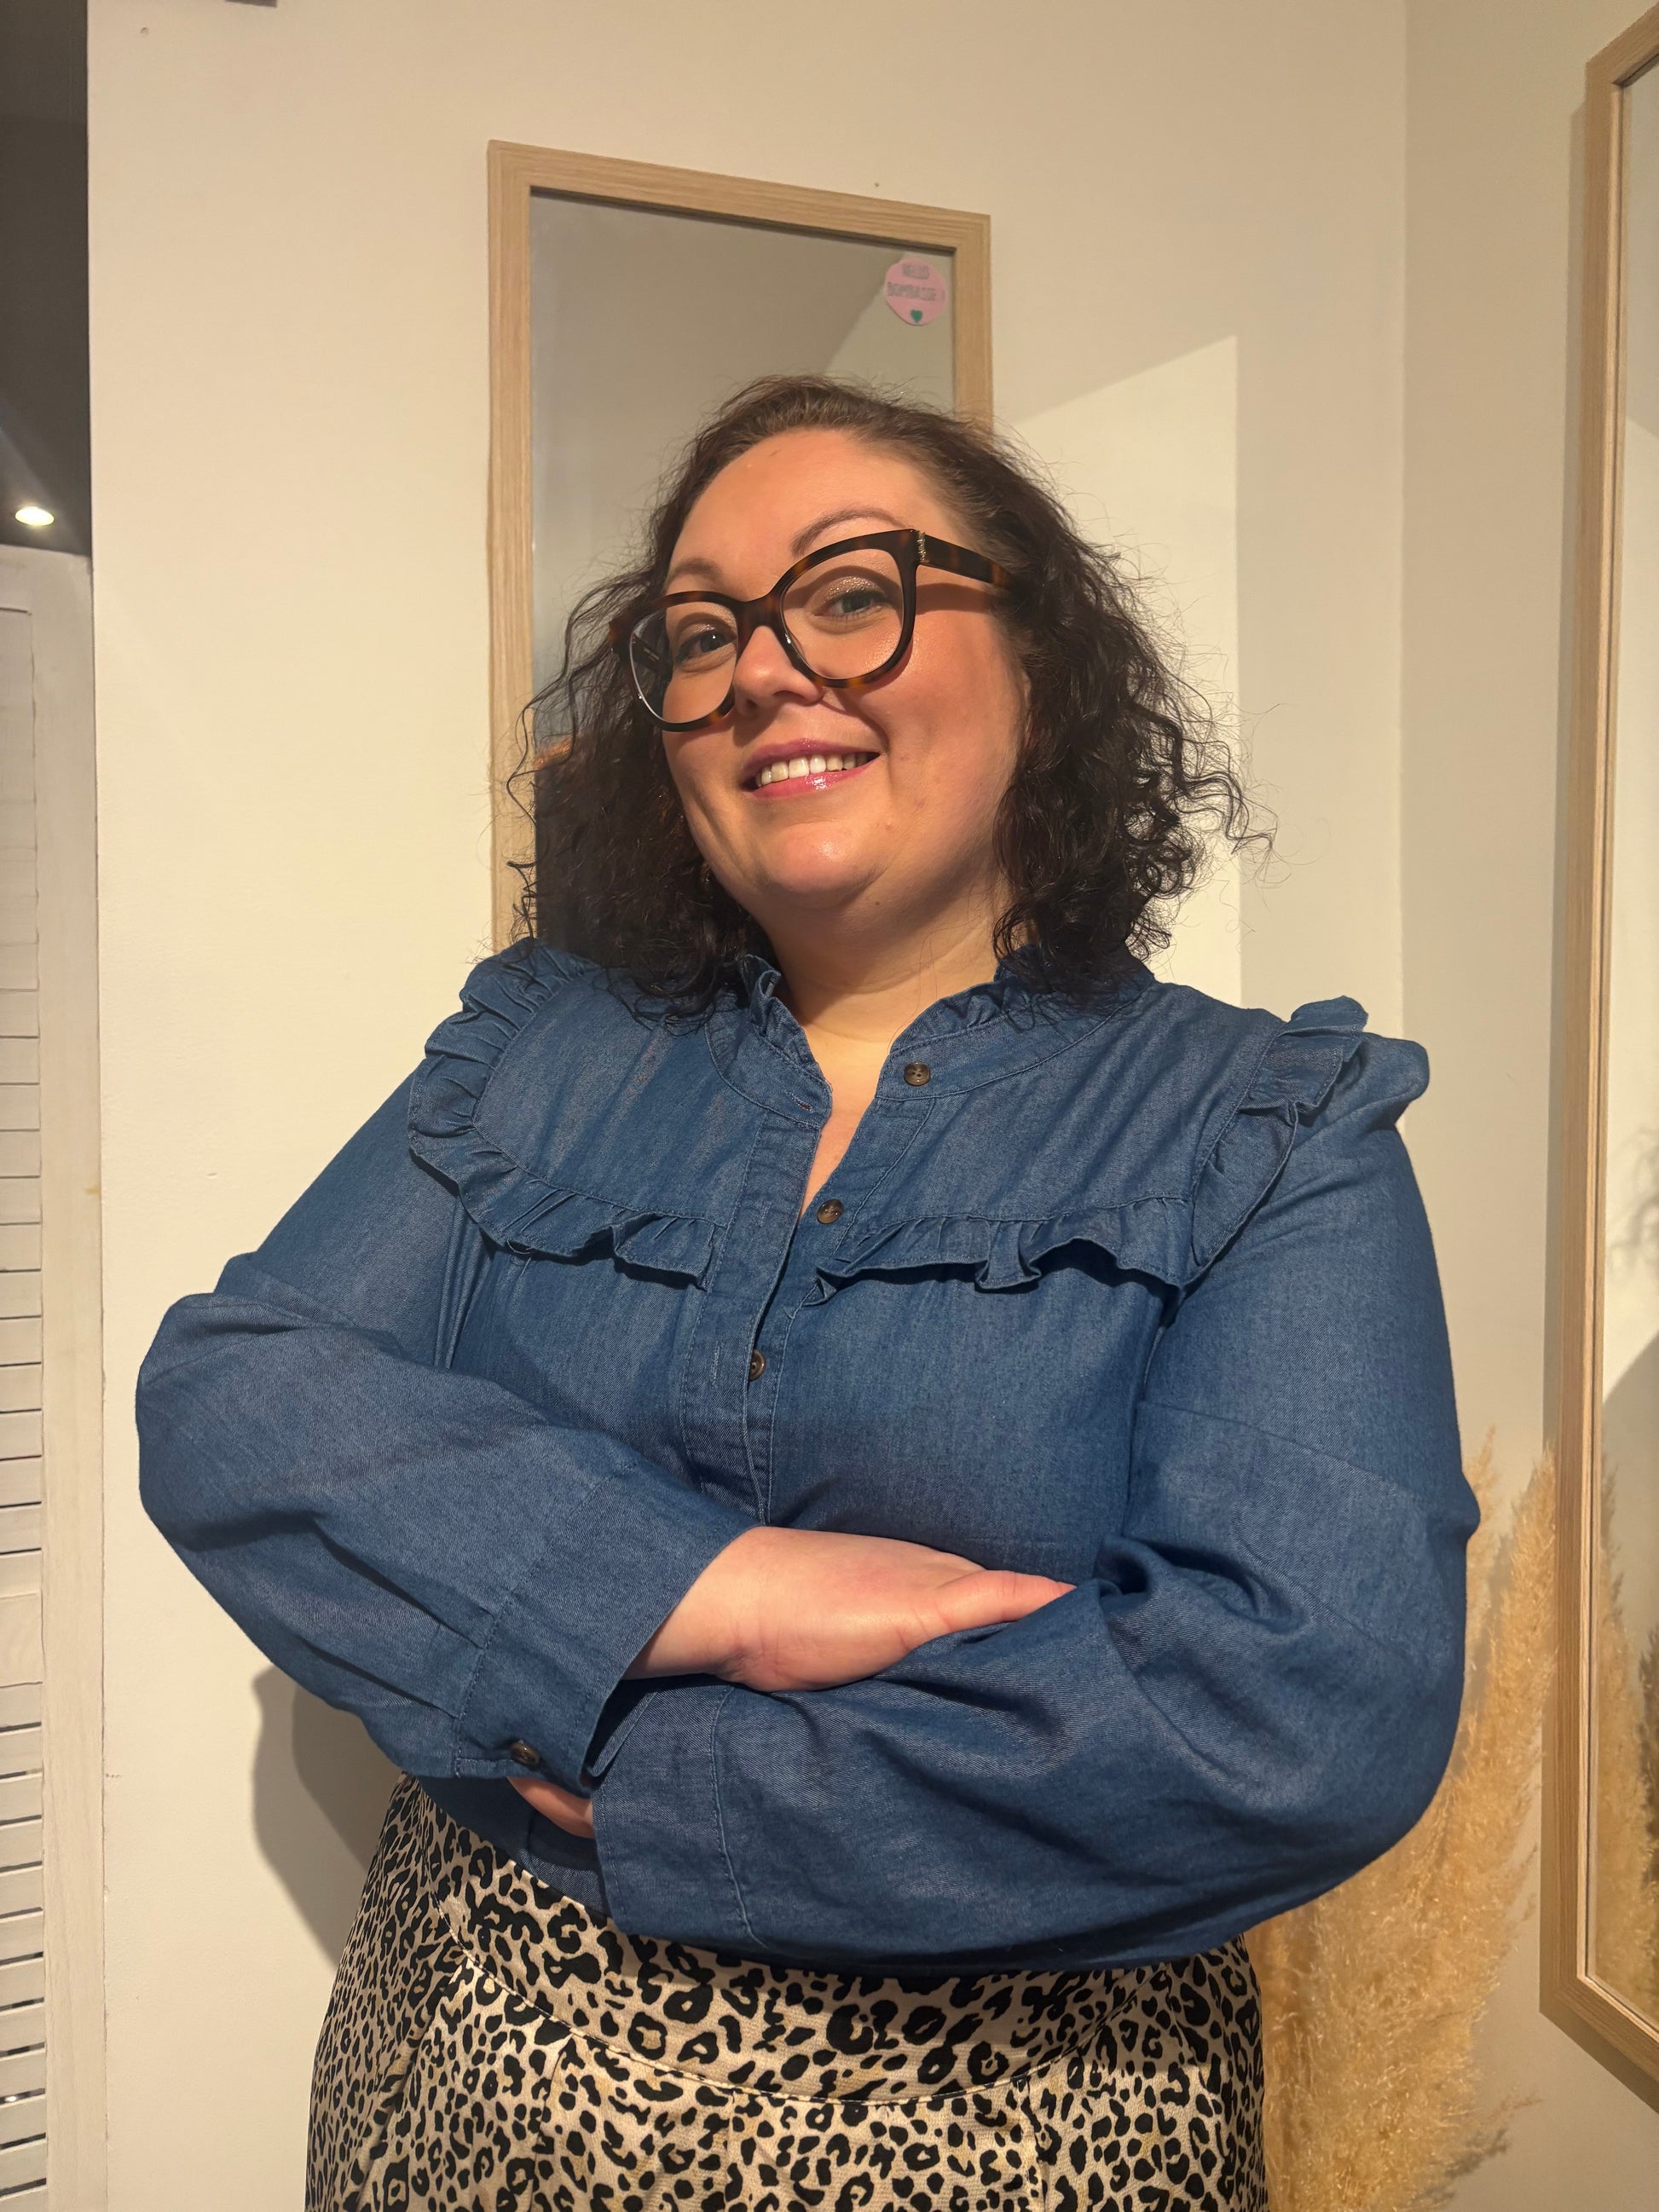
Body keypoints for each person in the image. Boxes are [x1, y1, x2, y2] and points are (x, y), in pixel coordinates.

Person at [137, 374, 1476, 2212]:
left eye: (851, 594)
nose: (763, 670)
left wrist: (648, 1768)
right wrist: (711, 1587)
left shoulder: (1264, 1120)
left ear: (1041, 662)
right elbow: (235, 1401)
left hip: (1024, 2144)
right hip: (459, 2100)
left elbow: (1300, 1710)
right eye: (700, 635)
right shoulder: (533, 1048)